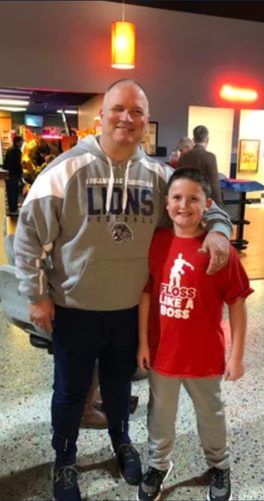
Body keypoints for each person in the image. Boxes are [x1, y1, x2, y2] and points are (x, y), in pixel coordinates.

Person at [14, 78, 234, 501]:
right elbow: (28, 238)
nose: (127, 118)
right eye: (119, 109)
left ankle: (122, 442)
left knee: (119, 388)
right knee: (70, 391)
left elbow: (205, 206)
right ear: (101, 116)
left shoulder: (158, 175)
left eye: (137, 112)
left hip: (131, 310)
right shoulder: (64, 170)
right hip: (73, 306)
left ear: (146, 124)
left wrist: (220, 231)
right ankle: (65, 459)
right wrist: (37, 295)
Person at [135, 169, 251, 501]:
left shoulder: (219, 250)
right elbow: (146, 294)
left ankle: (219, 464)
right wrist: (144, 342)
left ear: (208, 204)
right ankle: (158, 464)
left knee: (211, 415)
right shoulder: (157, 243)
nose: (184, 205)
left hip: (204, 356)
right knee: (160, 415)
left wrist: (237, 355)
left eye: (193, 199)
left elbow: (237, 303)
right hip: (163, 354)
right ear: (167, 204)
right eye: (176, 198)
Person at [176, 125, 224, 207]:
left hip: (186, 201)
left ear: (194, 139)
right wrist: (219, 205)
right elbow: (214, 185)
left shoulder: (183, 157)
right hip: (203, 203)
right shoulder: (210, 157)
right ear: (207, 139)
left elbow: (177, 181)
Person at [3, 136, 25, 215]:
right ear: (18, 142)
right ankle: (14, 209)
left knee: (10, 192)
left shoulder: (9, 149)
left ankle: (11, 208)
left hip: (8, 174)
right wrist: (21, 173)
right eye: (22, 142)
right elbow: (17, 164)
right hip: (14, 174)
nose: (22, 143)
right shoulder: (17, 151)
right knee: (14, 192)